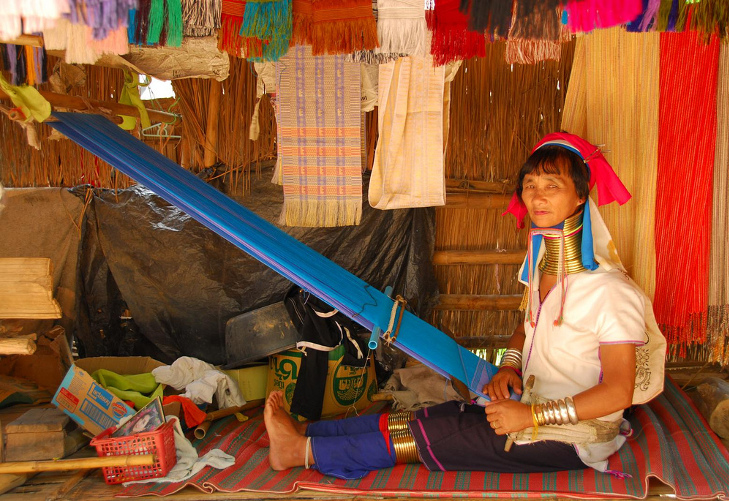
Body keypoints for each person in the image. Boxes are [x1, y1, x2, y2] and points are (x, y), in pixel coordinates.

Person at [263, 133, 666, 479]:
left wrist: (531, 418)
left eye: (551, 185)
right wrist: (509, 366)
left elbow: (618, 391)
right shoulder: (544, 270)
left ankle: (300, 454)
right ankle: (308, 433)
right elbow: (528, 328)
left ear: (580, 196)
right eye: (529, 185)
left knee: (440, 437)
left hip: (574, 438)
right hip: (527, 407)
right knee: (434, 417)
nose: (536, 196)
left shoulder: (609, 291)